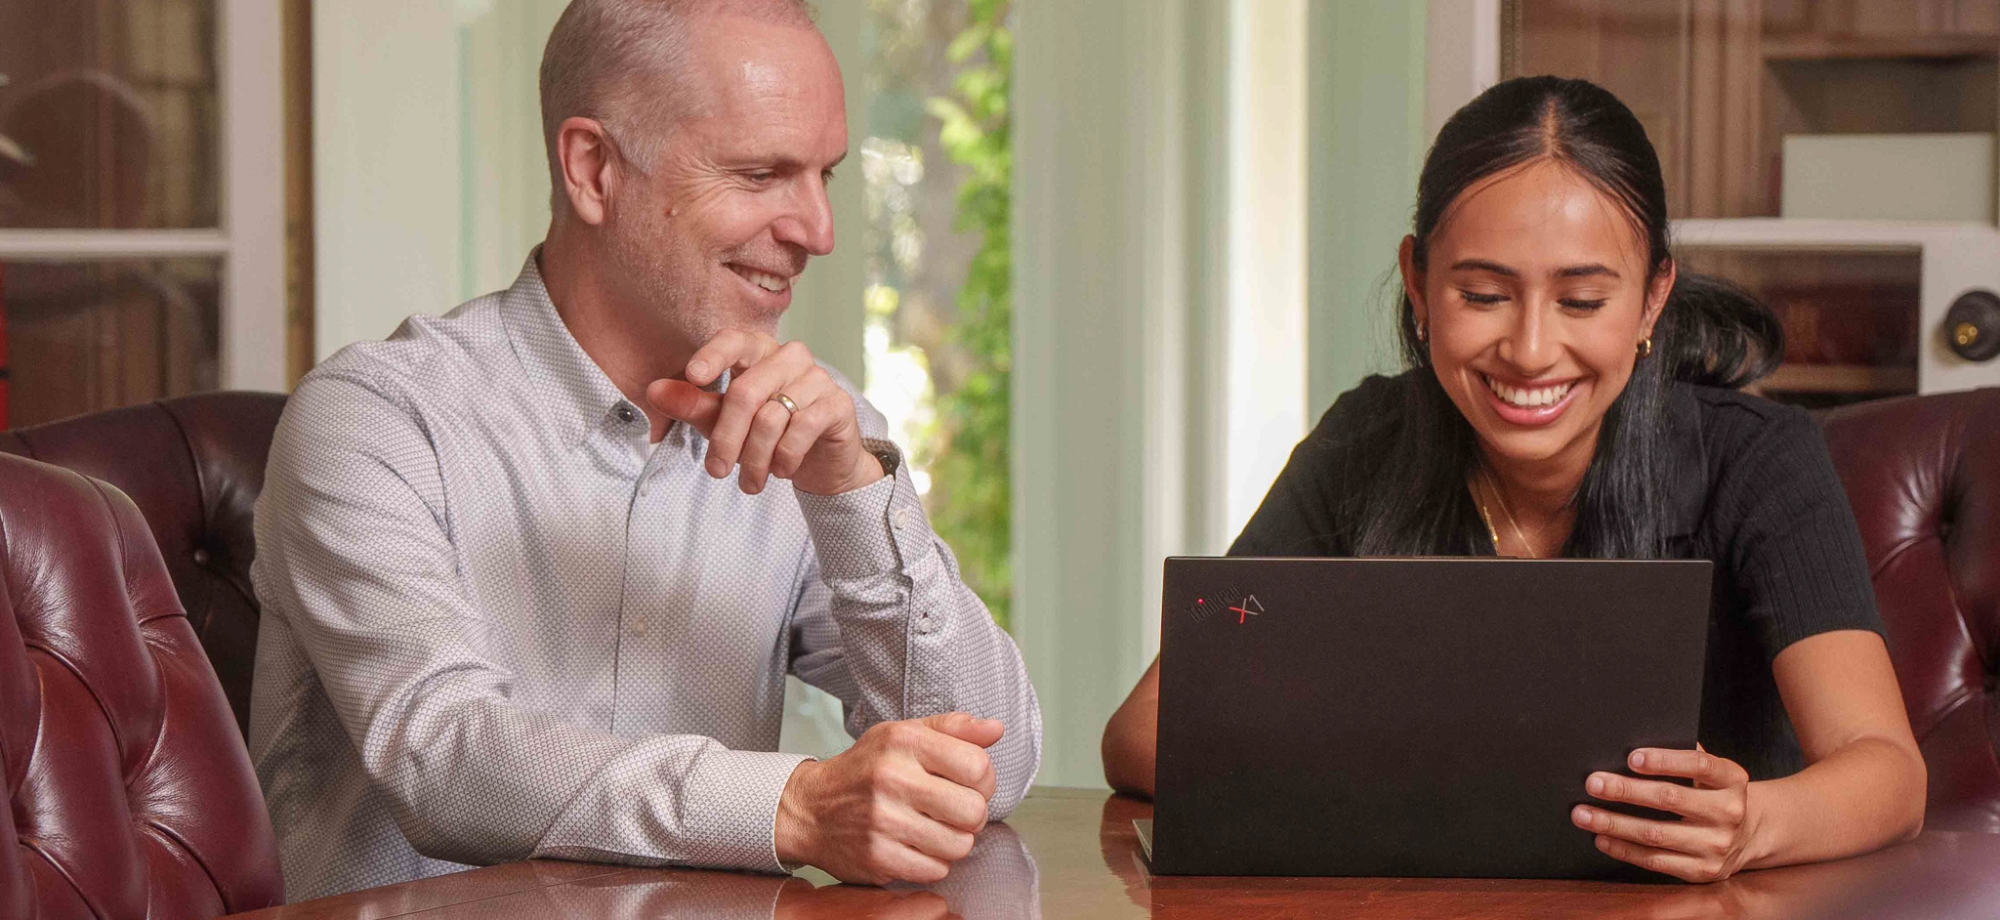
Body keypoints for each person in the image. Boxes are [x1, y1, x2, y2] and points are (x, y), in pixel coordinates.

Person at [249, 0, 1040, 900]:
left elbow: (993, 760)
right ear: (593, 170)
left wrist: (853, 494)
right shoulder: (375, 422)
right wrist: (793, 805)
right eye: (761, 173)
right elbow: (448, 755)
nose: (818, 231)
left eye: (824, 175)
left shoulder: (814, 433)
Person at [1100, 75, 1925, 883]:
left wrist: (1754, 827)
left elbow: (1888, 772)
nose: (1530, 350)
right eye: (1485, 294)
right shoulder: (1367, 442)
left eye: (1581, 302)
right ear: (1419, 283)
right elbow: (1143, 732)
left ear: (1650, 300)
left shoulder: (1759, 458)